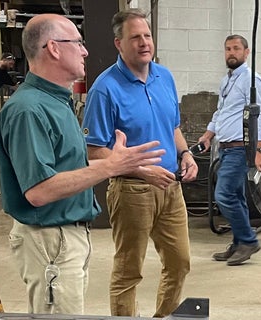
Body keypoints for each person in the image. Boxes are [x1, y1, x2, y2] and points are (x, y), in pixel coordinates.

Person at [0, 14, 164, 315]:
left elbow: (67, 161)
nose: (85, 51)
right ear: (54, 49)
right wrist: (112, 167)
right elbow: (39, 191)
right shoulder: (28, 110)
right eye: (77, 43)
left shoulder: (56, 101)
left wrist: (121, 161)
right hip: (50, 239)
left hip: (65, 237)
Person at [80, 9, 197, 318]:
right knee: (128, 271)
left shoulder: (164, 77)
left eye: (147, 35)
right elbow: (95, 152)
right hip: (132, 192)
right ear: (119, 44)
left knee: (180, 262)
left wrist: (185, 155)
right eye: (135, 37)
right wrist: (142, 169)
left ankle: (164, 316)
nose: (144, 42)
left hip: (171, 189)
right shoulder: (104, 90)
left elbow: (173, 128)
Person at [197, 34, 261, 266]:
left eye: (236, 48)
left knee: (224, 195)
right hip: (225, 148)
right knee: (236, 196)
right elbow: (220, 112)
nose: (231, 53)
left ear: (246, 52)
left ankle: (248, 240)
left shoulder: (252, 80)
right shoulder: (226, 81)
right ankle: (239, 242)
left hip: (240, 148)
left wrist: (260, 149)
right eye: (227, 49)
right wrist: (208, 135)